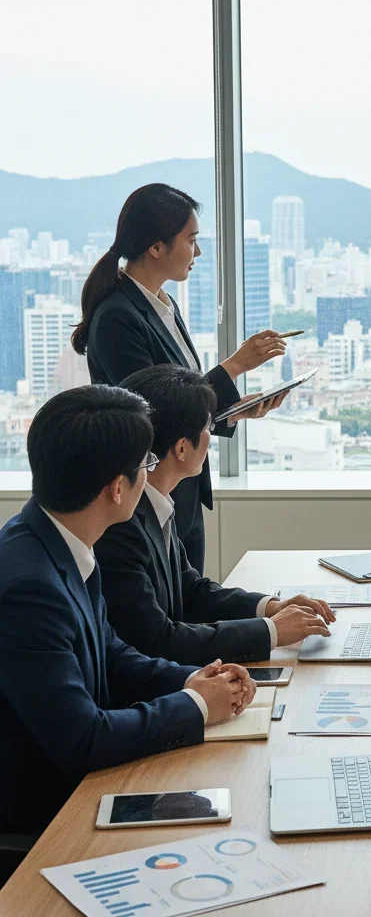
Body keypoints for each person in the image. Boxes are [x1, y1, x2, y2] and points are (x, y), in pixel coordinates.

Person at [0, 385, 256, 840]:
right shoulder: (30, 587)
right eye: (146, 465)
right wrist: (196, 706)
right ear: (118, 488)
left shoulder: (55, 540)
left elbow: (113, 654)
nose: (150, 474)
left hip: (80, 785)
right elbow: (83, 737)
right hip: (45, 819)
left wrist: (192, 681)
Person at [71, 183, 289, 574]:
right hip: (149, 495)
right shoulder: (119, 317)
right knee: (172, 620)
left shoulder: (162, 305)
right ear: (157, 247)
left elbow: (182, 402)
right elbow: (151, 412)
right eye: (191, 240)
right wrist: (234, 365)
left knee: (191, 604)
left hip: (180, 493)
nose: (199, 252)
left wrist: (232, 412)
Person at [95, 365, 334, 666]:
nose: (210, 437)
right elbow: (156, 640)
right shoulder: (122, 523)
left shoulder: (155, 502)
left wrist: (270, 607)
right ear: (182, 448)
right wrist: (270, 632)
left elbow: (192, 591)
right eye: (207, 428)